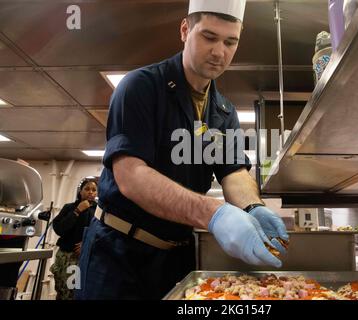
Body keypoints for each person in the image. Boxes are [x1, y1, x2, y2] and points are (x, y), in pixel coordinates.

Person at [76, 0, 289, 300]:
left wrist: (253, 207)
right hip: (118, 254)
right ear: (185, 29)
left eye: (231, 42)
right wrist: (214, 214)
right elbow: (131, 176)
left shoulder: (223, 111)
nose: (219, 52)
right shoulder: (140, 86)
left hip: (176, 260)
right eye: (209, 37)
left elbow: (233, 173)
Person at [50, 177, 97, 300]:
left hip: (84, 258)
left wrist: (87, 244)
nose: (90, 192)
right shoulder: (69, 207)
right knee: (62, 290)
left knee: (76, 293)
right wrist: (77, 211)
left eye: (94, 190)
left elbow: (101, 233)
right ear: (80, 191)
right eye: (87, 189)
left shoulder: (99, 211)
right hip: (65, 255)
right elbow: (59, 228)